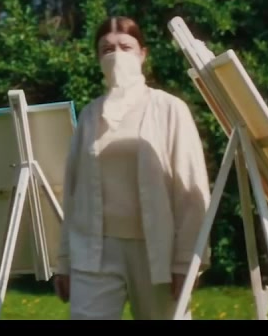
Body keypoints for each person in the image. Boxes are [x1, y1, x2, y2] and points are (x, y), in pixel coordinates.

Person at [52, 16, 212, 320]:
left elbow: (191, 192)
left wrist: (186, 262)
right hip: (94, 251)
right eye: (107, 49)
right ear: (98, 58)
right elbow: (73, 194)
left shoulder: (169, 109)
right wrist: (64, 261)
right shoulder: (89, 116)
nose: (116, 56)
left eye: (125, 47)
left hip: (157, 252)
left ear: (142, 54)